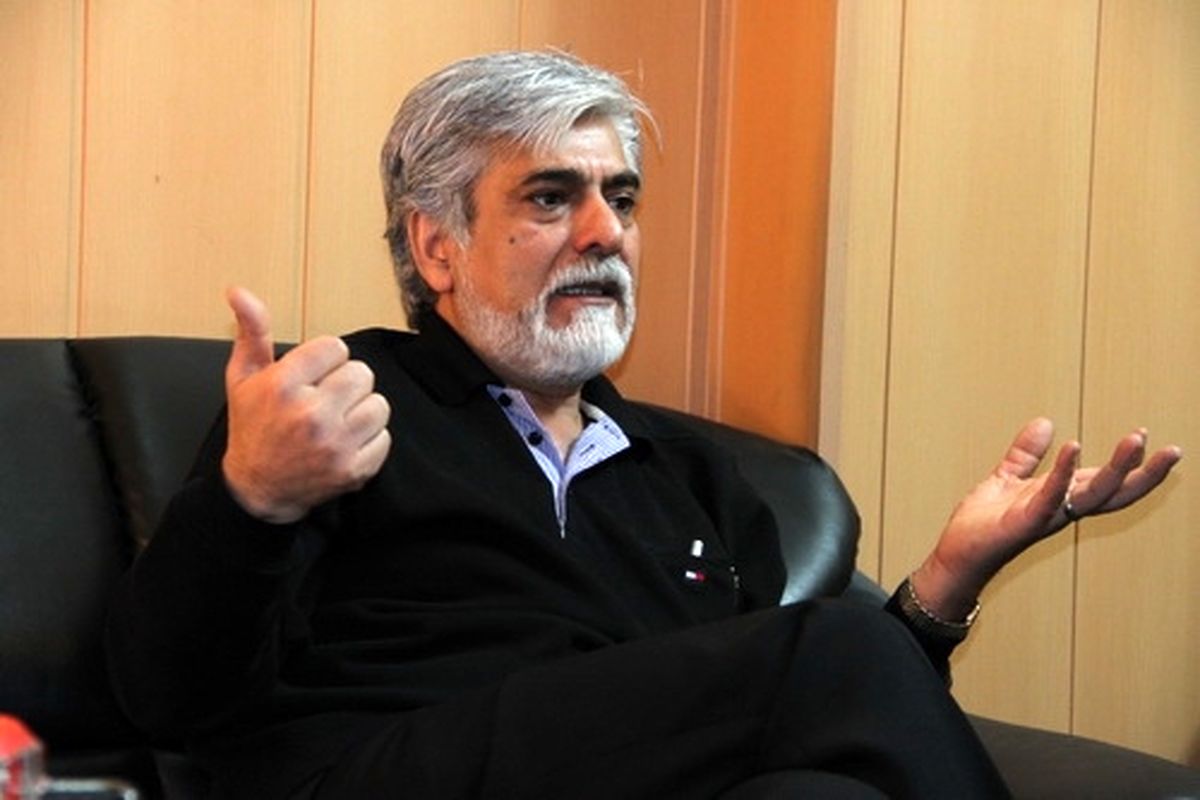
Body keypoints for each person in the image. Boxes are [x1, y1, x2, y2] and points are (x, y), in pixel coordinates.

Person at [105, 51, 1181, 799]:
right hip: (375, 770)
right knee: (838, 645)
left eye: (620, 198)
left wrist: (945, 584)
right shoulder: (341, 404)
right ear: (437, 247)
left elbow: (799, 707)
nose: (604, 231)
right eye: (549, 198)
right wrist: (253, 498)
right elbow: (171, 698)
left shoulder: (694, 474)